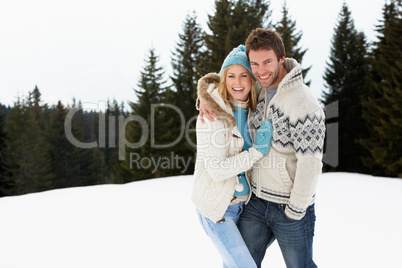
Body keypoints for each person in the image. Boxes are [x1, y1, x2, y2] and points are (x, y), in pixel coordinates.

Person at [198, 28, 326, 268]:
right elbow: (228, 83)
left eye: (267, 62)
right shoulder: (257, 89)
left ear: (281, 57)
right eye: (254, 64)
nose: (261, 70)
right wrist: (204, 97)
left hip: (290, 207)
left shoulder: (304, 103)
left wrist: (295, 210)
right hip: (257, 203)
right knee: (239, 264)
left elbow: (311, 163)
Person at [192, 45, 273, 268]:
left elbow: (276, 67)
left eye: (244, 75)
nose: (237, 82)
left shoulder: (252, 108)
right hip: (218, 208)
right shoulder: (212, 113)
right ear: (223, 79)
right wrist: (256, 152)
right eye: (231, 76)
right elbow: (217, 170)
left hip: (244, 207)